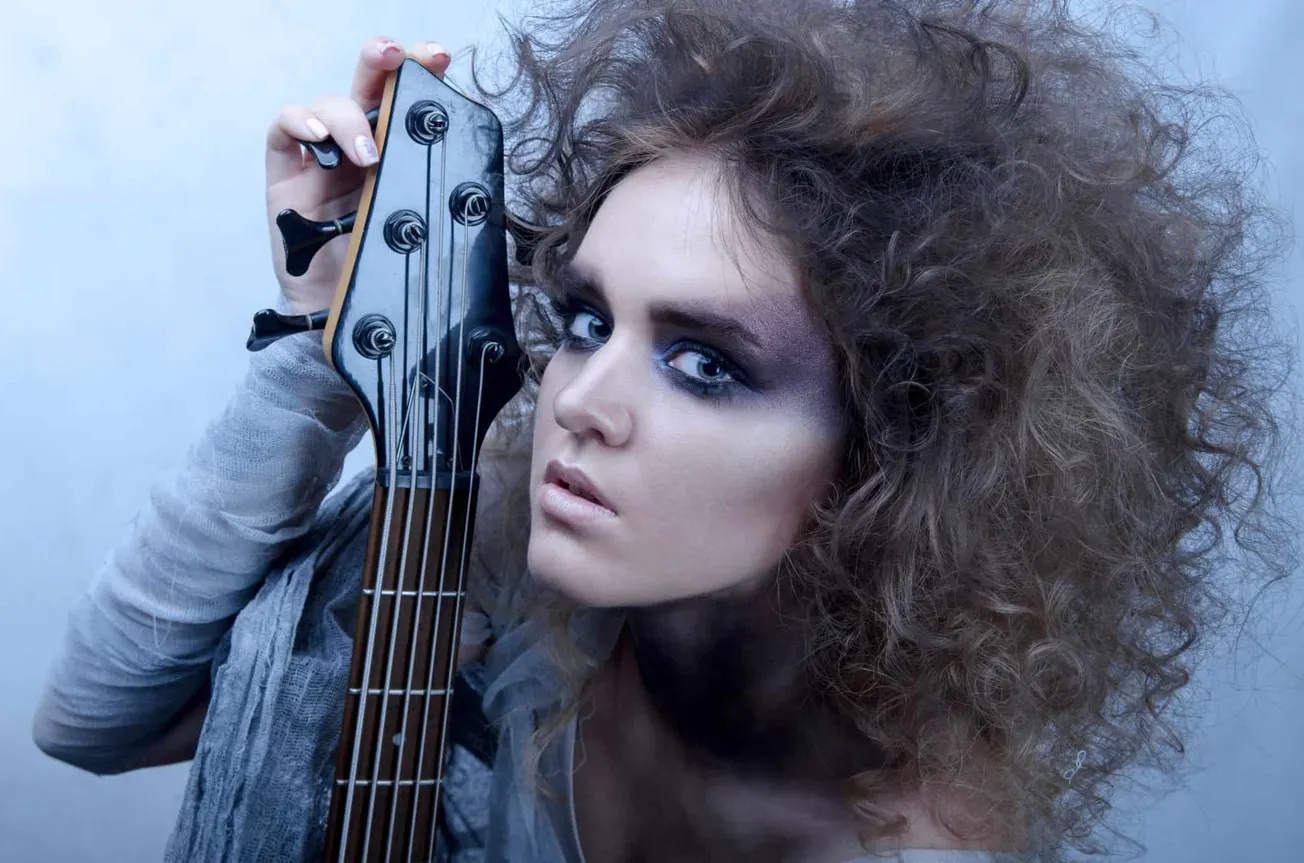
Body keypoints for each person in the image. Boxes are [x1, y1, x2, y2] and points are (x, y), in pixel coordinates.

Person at [32, 0, 1301, 860]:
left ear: (897, 455)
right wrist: (317, 337)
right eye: (586, 320)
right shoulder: (477, 540)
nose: (580, 401)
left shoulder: (898, 840)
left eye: (704, 362)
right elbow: (97, 720)